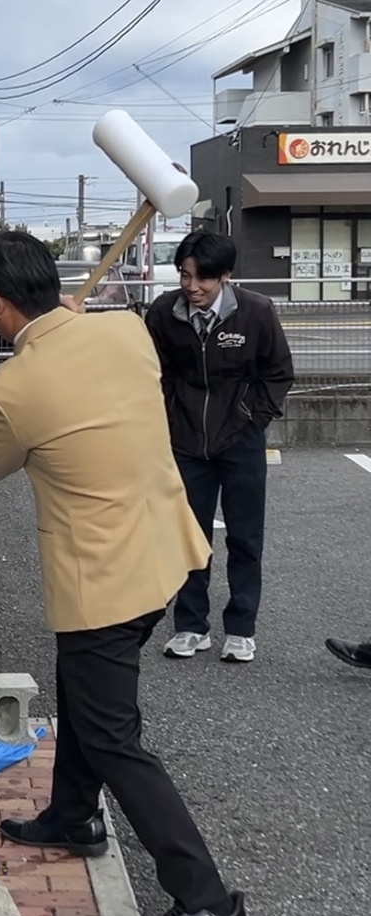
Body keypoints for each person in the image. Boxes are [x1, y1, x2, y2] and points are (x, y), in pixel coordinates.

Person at [0, 231, 245, 916]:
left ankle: (208, 900)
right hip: (166, 549)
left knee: (115, 736)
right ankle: (73, 814)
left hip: (102, 580)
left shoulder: (8, 390)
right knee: (83, 689)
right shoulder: (126, 330)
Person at [145, 231, 293, 663]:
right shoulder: (163, 313)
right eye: (185, 275)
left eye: (203, 278)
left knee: (246, 537)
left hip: (241, 441)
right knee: (190, 538)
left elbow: (278, 373)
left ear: (225, 276)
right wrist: (170, 415)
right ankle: (191, 626)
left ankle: (241, 629)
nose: (192, 287)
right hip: (187, 441)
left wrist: (250, 417)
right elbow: (154, 369)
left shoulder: (256, 312)